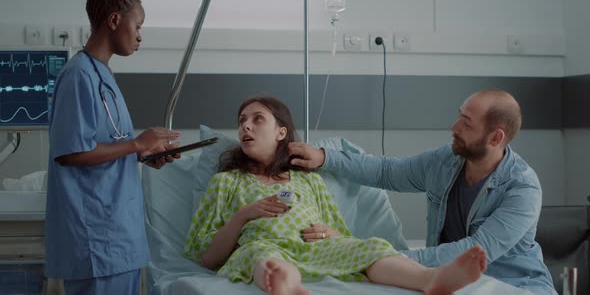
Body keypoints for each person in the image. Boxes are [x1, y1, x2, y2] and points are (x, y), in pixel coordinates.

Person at [184, 96, 487, 295]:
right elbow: (208, 257)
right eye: (241, 121)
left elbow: (339, 234)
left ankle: (431, 280)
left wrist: (331, 233)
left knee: (371, 246)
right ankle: (286, 285)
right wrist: (244, 215)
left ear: (281, 132)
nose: (245, 126)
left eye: (257, 119)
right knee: (263, 256)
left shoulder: (309, 182)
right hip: (263, 247)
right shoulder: (226, 182)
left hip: (313, 250)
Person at [289, 90, 557, 294]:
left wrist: (379, 256)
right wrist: (326, 157)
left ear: (495, 138)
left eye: (466, 122)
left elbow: (472, 253)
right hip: (456, 284)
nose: (454, 127)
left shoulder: (522, 189)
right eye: (459, 116)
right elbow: (386, 172)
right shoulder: (446, 161)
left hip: (515, 286)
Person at [45, 0, 181, 294]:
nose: (140, 35)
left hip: (119, 235)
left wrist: (144, 154)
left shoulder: (102, 76)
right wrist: (136, 145)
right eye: (138, 25)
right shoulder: (79, 76)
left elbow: (107, 147)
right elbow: (71, 152)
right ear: (115, 21)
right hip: (97, 238)